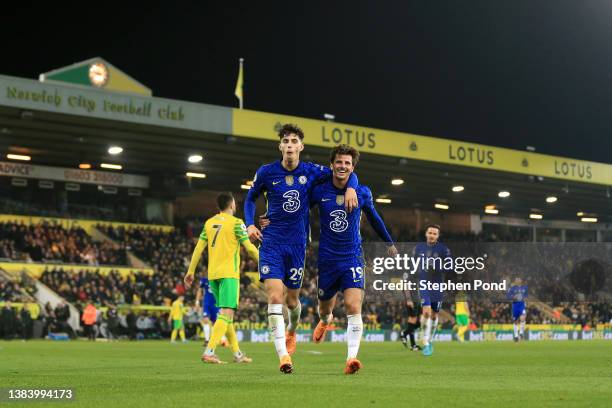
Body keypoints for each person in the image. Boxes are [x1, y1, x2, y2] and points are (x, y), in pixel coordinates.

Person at [244, 124, 359, 374]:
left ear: (300, 147)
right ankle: (283, 356)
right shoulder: (266, 172)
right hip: (271, 241)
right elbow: (250, 198)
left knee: (292, 300)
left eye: (294, 141)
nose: (289, 145)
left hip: (297, 246)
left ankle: (292, 331)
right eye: (285, 141)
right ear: (280, 146)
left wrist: (352, 186)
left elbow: (342, 171)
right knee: (275, 297)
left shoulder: (312, 171)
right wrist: (250, 224)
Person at [184, 192, 259, 364]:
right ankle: (209, 351)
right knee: (226, 314)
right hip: (229, 275)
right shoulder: (237, 223)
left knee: (226, 316)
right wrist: (266, 264)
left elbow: (198, 248)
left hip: (213, 276)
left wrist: (191, 271)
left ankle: (237, 354)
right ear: (232, 204)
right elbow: (250, 248)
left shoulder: (209, 223)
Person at [414, 224, 452, 356]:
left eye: (434, 234)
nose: (432, 235)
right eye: (430, 232)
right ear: (426, 233)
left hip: (437, 286)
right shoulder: (419, 248)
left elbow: (449, 266)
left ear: (438, 236)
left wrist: (437, 268)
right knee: (426, 312)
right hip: (424, 283)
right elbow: (413, 265)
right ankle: (425, 340)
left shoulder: (443, 249)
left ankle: (430, 338)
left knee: (435, 314)